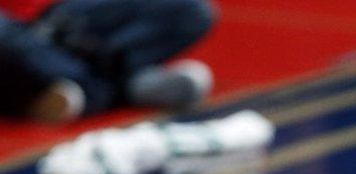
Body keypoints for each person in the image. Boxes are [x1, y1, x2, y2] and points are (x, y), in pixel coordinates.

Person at [0, 0, 214, 122]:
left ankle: (103, 88)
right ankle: (122, 87)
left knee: (191, 11)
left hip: (55, 25)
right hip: (16, 43)